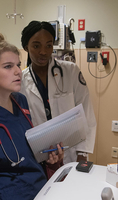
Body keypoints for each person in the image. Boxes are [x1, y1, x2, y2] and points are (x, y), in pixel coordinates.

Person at [0, 32, 64, 200]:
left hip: (42, 191)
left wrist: (49, 159)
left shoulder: (20, 102)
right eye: (8, 66)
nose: (18, 71)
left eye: (18, 64)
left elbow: (26, 158)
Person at [20, 21, 97, 164]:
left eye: (48, 45)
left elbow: (86, 112)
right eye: (36, 46)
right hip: (38, 157)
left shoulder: (71, 71)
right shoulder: (20, 81)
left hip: (71, 153)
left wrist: (82, 154)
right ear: (26, 47)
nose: (43, 51)